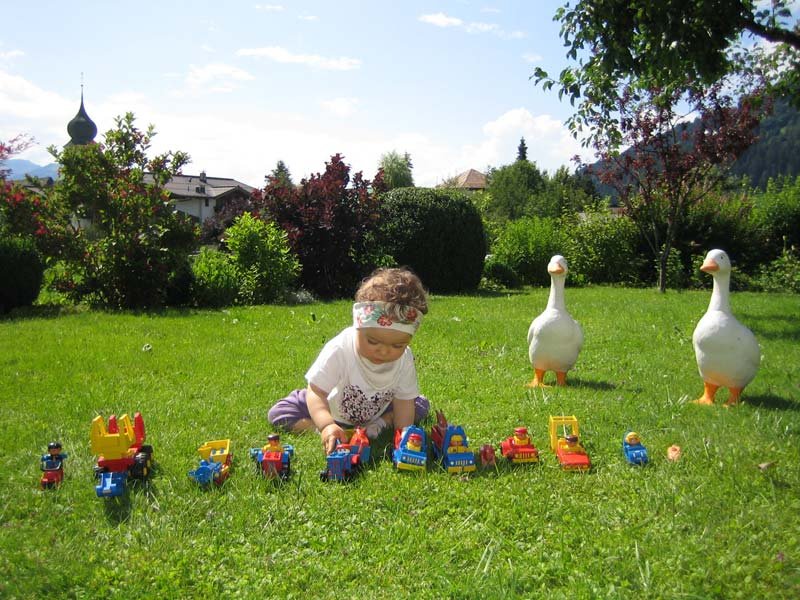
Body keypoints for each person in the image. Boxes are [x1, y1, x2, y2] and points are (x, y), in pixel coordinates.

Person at [268, 267, 429, 454]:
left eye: (397, 346)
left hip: (377, 410)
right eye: (373, 341)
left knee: (419, 405)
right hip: (331, 406)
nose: (384, 351)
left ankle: (381, 422)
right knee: (280, 413)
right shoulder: (340, 348)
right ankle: (329, 429)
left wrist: (403, 438)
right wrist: (326, 424)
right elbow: (317, 391)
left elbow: (403, 401)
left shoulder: (405, 359)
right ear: (358, 327)